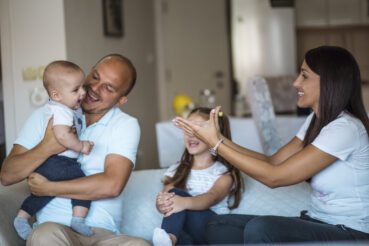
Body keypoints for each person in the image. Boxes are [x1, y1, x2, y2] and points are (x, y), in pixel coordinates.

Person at [173, 46, 369, 244]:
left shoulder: (345, 128)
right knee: (218, 225)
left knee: (261, 229)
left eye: (304, 76)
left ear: (329, 81)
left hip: (349, 230)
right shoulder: (315, 121)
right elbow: (273, 161)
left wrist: (215, 143)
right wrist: (218, 140)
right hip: (317, 220)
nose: (296, 83)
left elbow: (274, 177)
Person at [1, 54, 151, 246]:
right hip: (54, 230)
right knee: (43, 236)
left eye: (108, 87)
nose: (94, 89)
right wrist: (47, 147)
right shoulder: (46, 115)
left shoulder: (125, 125)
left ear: (121, 100)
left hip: (103, 235)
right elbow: (7, 175)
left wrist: (48, 188)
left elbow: (111, 185)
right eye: (95, 77)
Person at [14, 61, 94, 240]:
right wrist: (82, 146)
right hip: (60, 161)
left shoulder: (62, 107)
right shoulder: (62, 111)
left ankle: (22, 217)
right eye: (76, 90)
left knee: (42, 194)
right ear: (56, 95)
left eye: (83, 87)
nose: (82, 93)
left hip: (53, 161)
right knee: (83, 185)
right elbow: (62, 136)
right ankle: (78, 219)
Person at [153, 107, 243, 246]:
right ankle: (172, 239)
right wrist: (161, 204)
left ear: (215, 134)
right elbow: (168, 198)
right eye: (187, 129)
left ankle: (169, 239)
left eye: (198, 130)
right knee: (174, 200)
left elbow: (211, 197)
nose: (191, 135)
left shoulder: (223, 173)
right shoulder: (175, 170)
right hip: (187, 233)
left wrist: (183, 202)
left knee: (176, 196)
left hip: (212, 229)